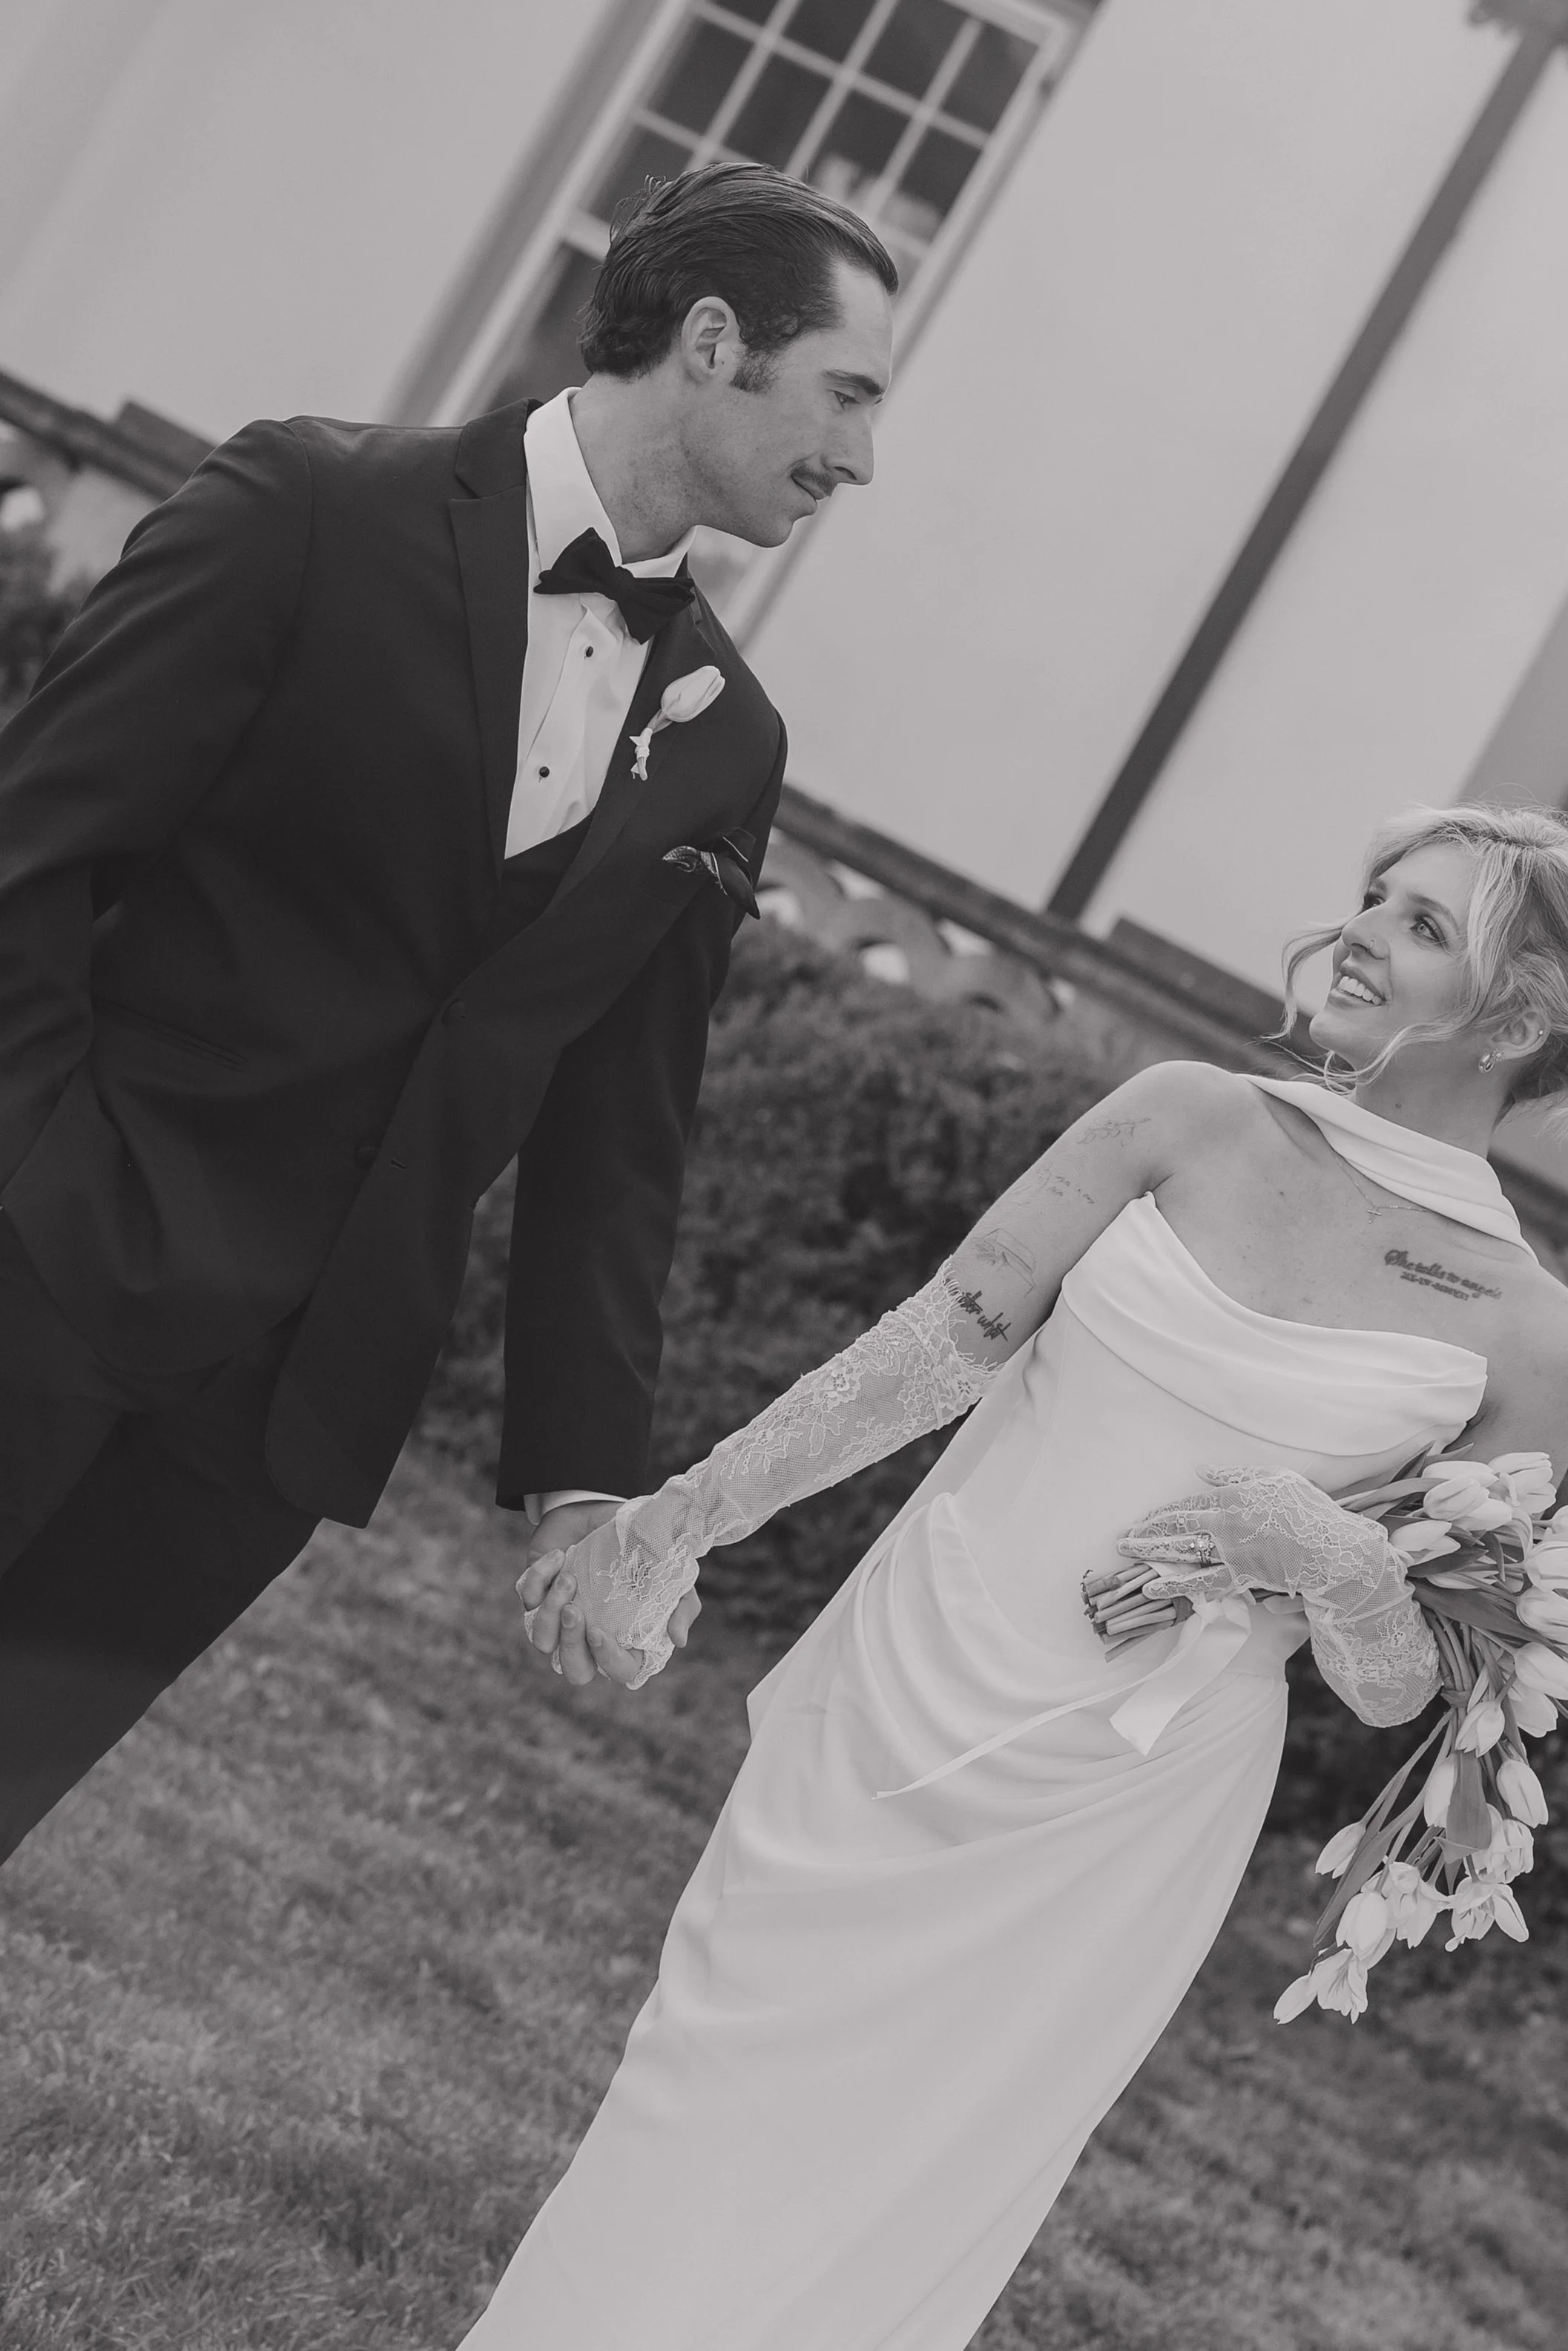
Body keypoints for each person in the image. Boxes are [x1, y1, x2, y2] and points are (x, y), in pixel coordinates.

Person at [484, 803, 1568, 2351]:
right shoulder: (1182, 1114)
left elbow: (1411, 1696)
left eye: (1426, 924)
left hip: (1127, 1799)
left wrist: (1316, 1552)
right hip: (914, 1678)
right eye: (1372, 894)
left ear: (1514, 1018)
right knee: (701, 2084)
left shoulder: (1533, 1340)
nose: (1362, 929)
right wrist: (677, 1521)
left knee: (907, 2184)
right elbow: (926, 1355)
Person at [0, 160, 897, 1864]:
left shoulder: (727, 743)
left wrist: (582, 1482)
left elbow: (617, 1134)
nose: (858, 458)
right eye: (845, 394)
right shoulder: (308, 508)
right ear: (713, 341)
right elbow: (36, 847)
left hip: (277, 1414)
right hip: (44, 1265)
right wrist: (31, 1173)